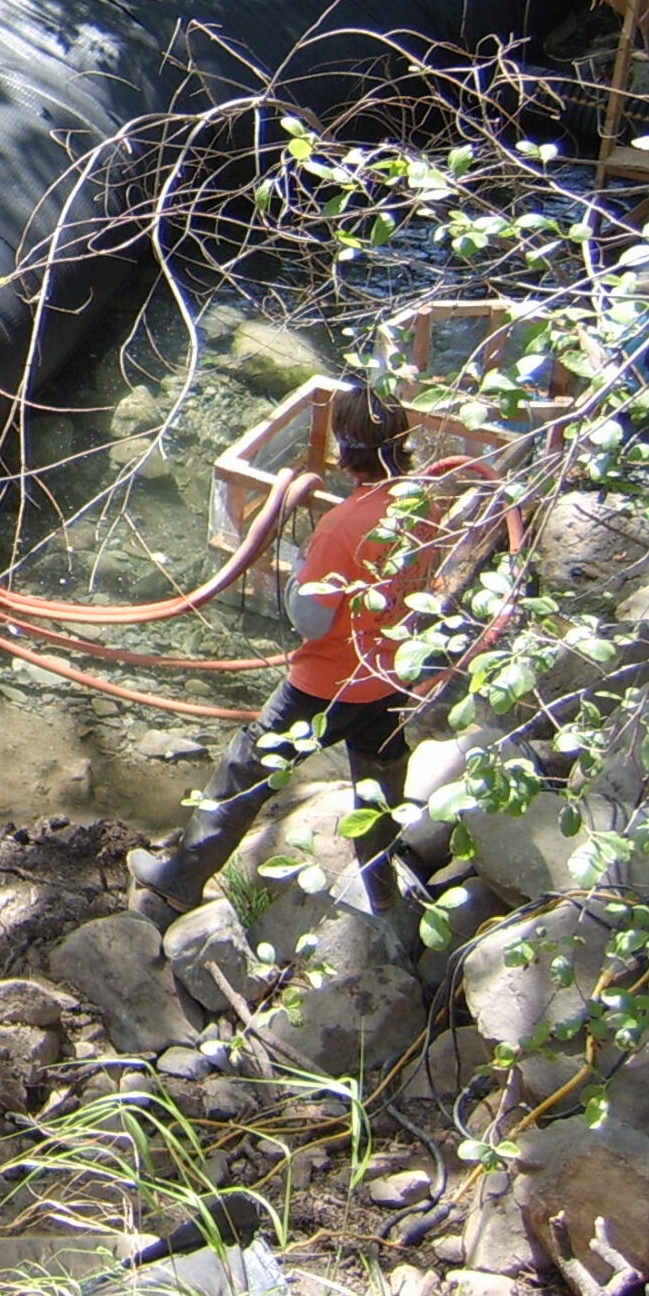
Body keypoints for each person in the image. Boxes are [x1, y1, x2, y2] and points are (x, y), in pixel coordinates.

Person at [128, 385, 432, 924]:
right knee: (380, 777)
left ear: (344, 450)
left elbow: (312, 620)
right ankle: (381, 887)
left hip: (326, 683)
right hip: (389, 674)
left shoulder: (342, 526)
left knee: (249, 766)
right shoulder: (420, 502)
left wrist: (298, 571)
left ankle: (179, 881)